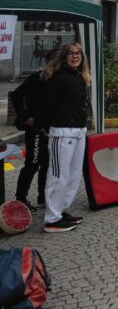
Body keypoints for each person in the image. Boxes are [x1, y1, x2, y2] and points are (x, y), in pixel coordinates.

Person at [38, 42, 90, 233]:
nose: (75, 57)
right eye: (71, 54)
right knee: (58, 176)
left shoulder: (80, 77)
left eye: (78, 54)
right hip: (61, 131)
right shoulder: (57, 78)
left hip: (78, 131)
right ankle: (52, 218)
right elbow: (47, 104)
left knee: (73, 176)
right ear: (64, 56)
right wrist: (45, 125)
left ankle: (60, 211)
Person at [11, 50, 57, 211]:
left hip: (50, 129)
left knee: (47, 163)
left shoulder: (59, 80)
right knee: (33, 163)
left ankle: (43, 197)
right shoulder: (38, 78)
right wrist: (25, 116)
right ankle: (21, 199)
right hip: (36, 129)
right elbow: (16, 95)